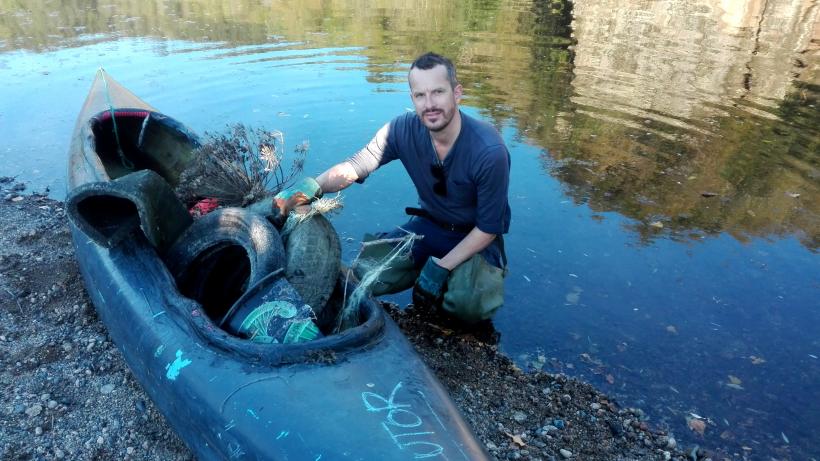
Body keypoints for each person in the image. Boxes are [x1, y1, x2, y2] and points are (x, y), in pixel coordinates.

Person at [273, 52, 511, 323]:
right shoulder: (401, 130)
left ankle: (454, 283)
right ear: (412, 99)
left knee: (467, 308)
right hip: (429, 228)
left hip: (474, 238)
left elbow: (489, 228)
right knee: (362, 276)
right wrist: (312, 186)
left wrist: (441, 267)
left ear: (457, 93)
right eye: (420, 95)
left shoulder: (489, 150)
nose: (429, 104)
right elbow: (356, 165)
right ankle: (428, 269)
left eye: (438, 92)